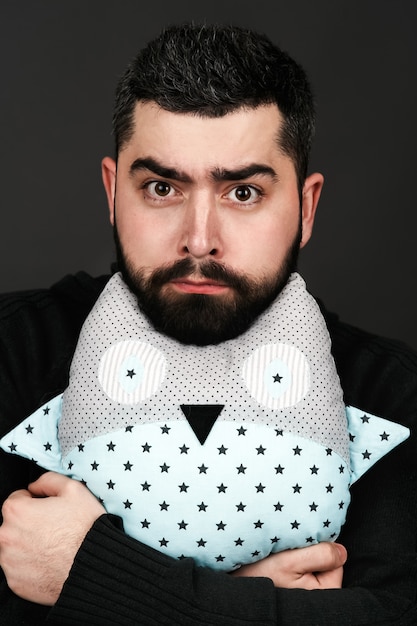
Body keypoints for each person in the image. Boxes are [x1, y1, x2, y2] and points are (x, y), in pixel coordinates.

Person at [0, 21, 416, 626]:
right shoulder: (11, 349)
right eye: (162, 187)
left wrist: (90, 574)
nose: (199, 239)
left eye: (243, 193)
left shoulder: (393, 396)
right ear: (114, 192)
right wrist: (246, 599)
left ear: (306, 207)